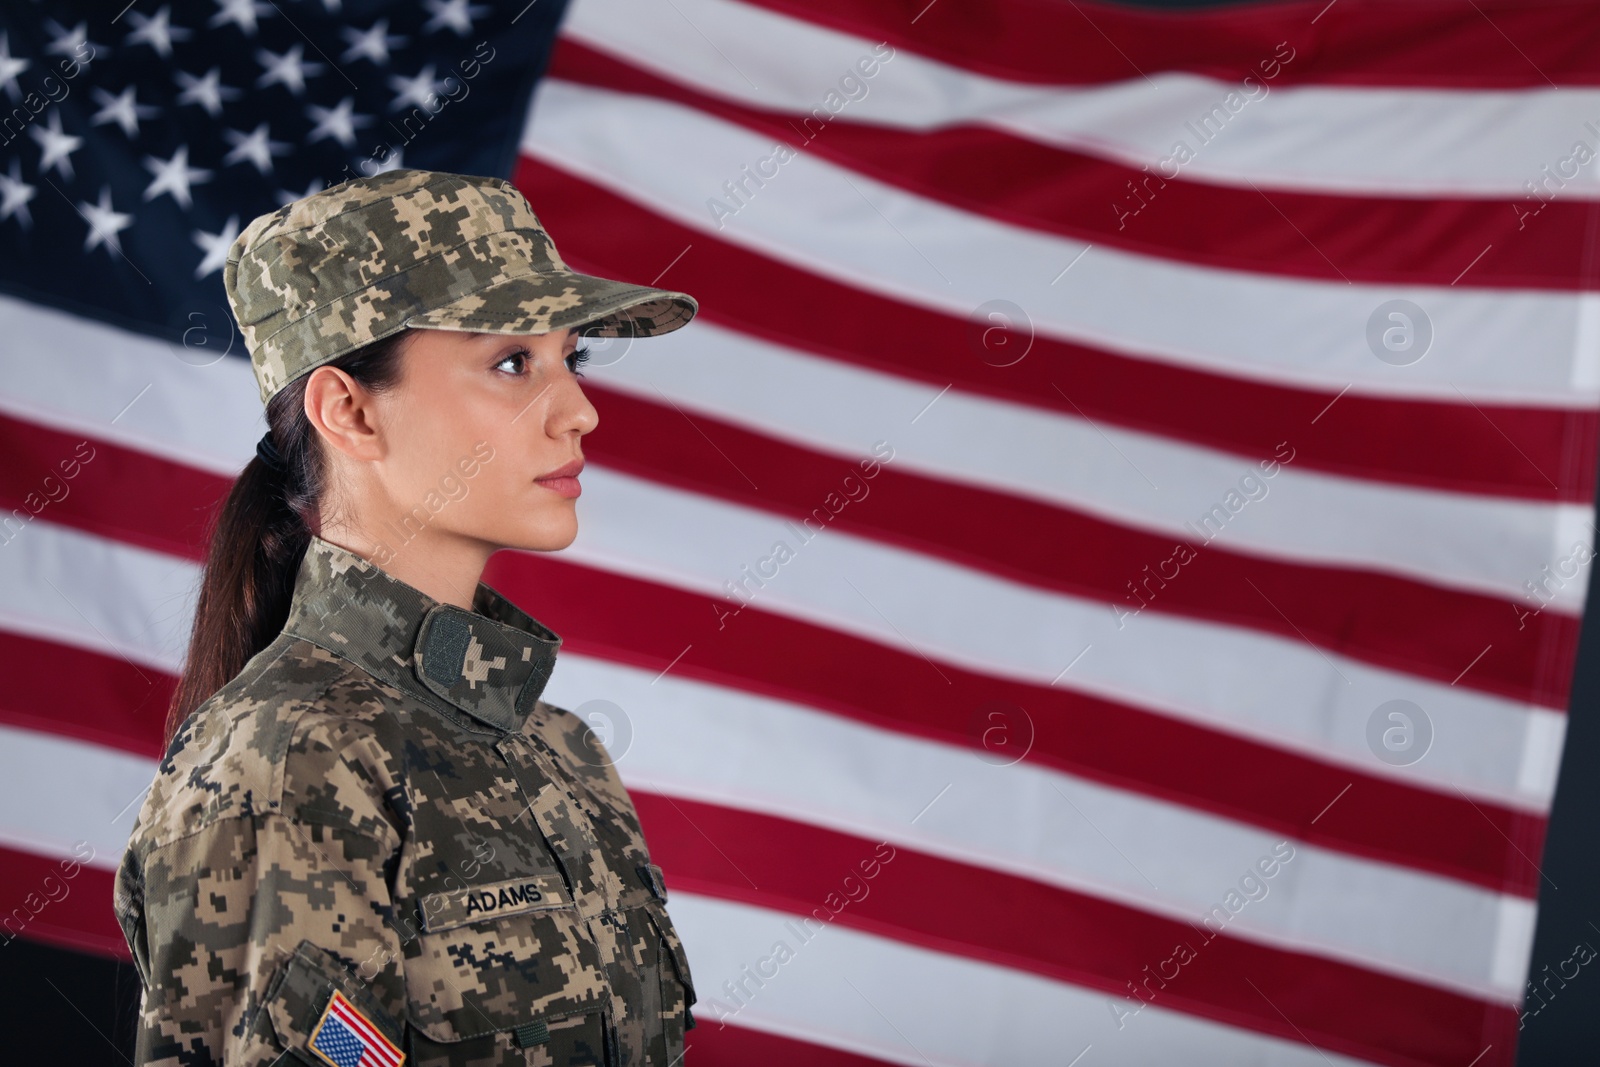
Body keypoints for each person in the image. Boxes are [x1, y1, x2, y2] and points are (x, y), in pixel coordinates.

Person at [112, 168, 700, 1067]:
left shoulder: (563, 749)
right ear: (347, 410)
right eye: (514, 363)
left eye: (569, 359)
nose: (579, 410)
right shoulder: (288, 756)